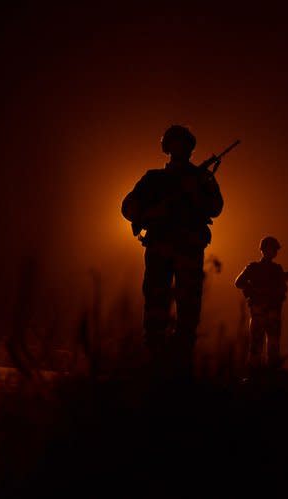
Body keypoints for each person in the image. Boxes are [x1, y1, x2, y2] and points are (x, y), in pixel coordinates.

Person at [121, 125, 224, 376]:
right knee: (156, 305)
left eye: (184, 144)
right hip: (160, 247)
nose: (180, 149)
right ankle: (155, 362)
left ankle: (181, 366)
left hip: (188, 249)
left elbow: (215, 208)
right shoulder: (154, 179)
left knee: (188, 310)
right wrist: (149, 213)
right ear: (167, 147)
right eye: (175, 143)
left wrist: (196, 192)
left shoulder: (202, 178)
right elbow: (128, 207)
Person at [235, 236, 288, 367]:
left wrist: (284, 278)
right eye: (273, 249)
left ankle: (268, 377)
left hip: (272, 313)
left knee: (272, 348)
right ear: (264, 250)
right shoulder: (254, 267)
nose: (275, 252)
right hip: (260, 312)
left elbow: (280, 288)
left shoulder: (276, 269)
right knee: (256, 347)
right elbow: (239, 283)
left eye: (276, 250)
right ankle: (255, 376)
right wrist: (254, 291)